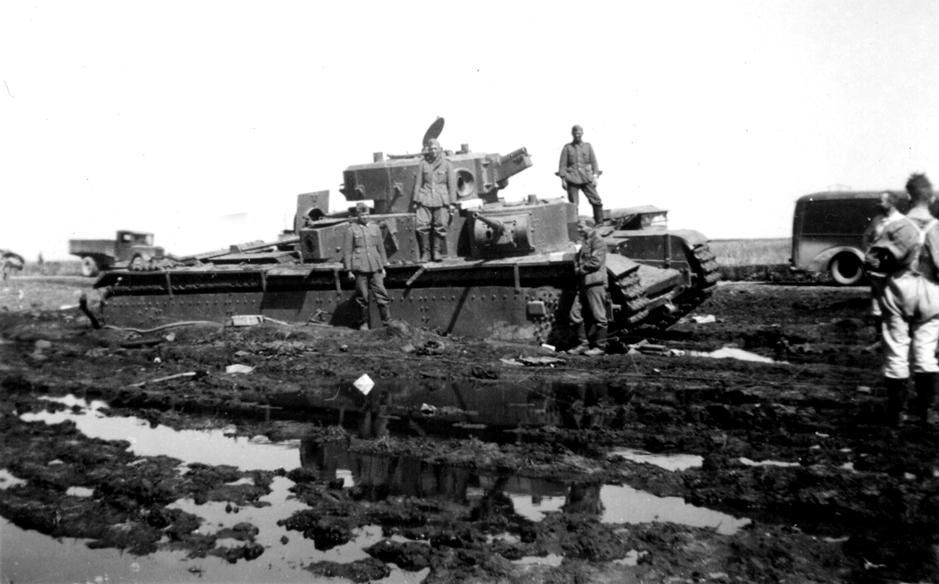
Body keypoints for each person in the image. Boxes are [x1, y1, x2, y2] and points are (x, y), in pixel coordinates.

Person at [866, 174, 939, 426]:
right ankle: (926, 412)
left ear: (908, 197)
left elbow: (872, 260)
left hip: (899, 287)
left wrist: (882, 280)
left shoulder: (897, 227)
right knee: (926, 351)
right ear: (932, 197)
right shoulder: (938, 228)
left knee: (897, 349)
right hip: (931, 290)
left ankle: (896, 413)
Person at [343, 202, 391, 330]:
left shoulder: (375, 228)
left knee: (382, 295)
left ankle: (387, 323)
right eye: (361, 214)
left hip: (375, 266)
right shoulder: (352, 230)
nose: (364, 217)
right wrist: (348, 270)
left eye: (366, 214)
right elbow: (347, 250)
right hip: (360, 267)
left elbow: (381, 248)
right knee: (362, 297)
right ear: (357, 215)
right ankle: (363, 323)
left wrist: (383, 266)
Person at [861, 192, 905, 324]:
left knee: (893, 294)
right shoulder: (877, 220)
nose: (878, 204)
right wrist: (868, 254)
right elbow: (866, 237)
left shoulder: (901, 220)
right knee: (876, 292)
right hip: (876, 264)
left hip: (893, 265)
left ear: (891, 203)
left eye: (881, 201)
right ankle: (877, 324)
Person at [412, 138, 456, 262]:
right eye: (431, 149)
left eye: (435, 148)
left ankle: (437, 252)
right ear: (428, 150)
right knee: (422, 226)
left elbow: (451, 185)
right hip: (425, 198)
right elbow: (418, 183)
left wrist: (452, 203)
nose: (433, 151)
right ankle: (425, 253)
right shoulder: (423, 164)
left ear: (440, 149)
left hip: (442, 199)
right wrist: (415, 201)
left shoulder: (447, 164)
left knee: (440, 225)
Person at [569, 219, 609, 356]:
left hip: (594, 283)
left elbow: (595, 262)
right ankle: (583, 344)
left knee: (599, 316)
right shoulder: (585, 242)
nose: (579, 230)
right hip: (584, 284)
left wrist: (579, 270)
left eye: (581, 227)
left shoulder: (597, 240)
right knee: (575, 314)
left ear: (590, 227)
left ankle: (600, 347)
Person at [557, 125, 604, 224]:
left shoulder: (588, 146)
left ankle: (600, 222)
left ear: (582, 133)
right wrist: (563, 179)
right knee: (573, 205)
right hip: (572, 178)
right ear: (572, 134)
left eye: (579, 133)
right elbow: (562, 164)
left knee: (596, 200)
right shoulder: (567, 148)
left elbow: (594, 162)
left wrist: (595, 176)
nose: (577, 135)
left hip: (586, 177)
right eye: (575, 133)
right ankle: (575, 226)